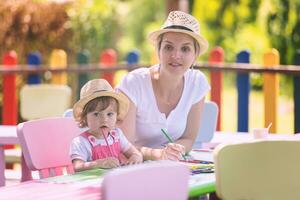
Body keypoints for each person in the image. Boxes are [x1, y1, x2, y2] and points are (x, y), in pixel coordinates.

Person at [117, 11, 210, 161]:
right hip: (132, 168)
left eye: (185, 49)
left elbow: (188, 138)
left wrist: (176, 149)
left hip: (171, 167)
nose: (176, 55)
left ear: (195, 55)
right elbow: (123, 146)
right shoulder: (134, 83)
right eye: (168, 47)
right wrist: (158, 154)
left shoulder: (197, 83)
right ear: (158, 50)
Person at [70, 79, 143, 172]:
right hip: (91, 183)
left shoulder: (117, 135)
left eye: (109, 114)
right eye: (96, 114)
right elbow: (77, 166)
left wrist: (135, 157)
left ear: (117, 116)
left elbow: (135, 153)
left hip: (114, 181)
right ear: (84, 118)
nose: (104, 119)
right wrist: (99, 164)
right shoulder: (81, 142)